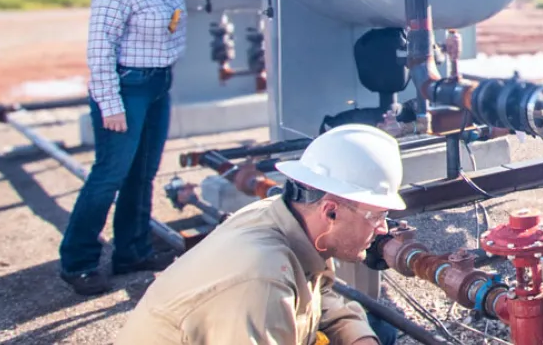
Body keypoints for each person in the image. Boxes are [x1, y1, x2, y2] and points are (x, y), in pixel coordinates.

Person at [58, 0, 237, 296]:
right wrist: (111, 105)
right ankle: (79, 261)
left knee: (143, 172)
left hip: (156, 86)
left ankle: (132, 251)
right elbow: (99, 49)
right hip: (127, 88)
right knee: (109, 176)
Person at [114, 123, 406, 345]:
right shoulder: (263, 279)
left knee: (377, 331)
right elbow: (267, 294)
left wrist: (357, 337)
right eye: (377, 215)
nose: (382, 228)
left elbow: (318, 294)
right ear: (331, 212)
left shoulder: (289, 220)